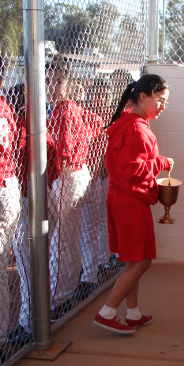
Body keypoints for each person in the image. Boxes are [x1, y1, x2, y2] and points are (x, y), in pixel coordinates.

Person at [93, 74, 173, 335]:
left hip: (124, 198)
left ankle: (133, 313)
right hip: (129, 199)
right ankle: (107, 312)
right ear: (143, 96)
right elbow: (134, 170)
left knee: (134, 259)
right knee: (141, 262)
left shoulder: (129, 122)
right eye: (160, 100)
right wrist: (161, 163)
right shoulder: (137, 127)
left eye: (165, 103)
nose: (162, 106)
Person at [9, 84, 60, 343]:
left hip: (29, 197)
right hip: (45, 192)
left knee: (28, 262)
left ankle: (30, 324)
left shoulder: (22, 126)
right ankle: (41, 314)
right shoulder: (40, 125)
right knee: (42, 257)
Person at [46, 58, 92, 318]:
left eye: (59, 81)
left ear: (70, 83)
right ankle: (69, 290)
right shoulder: (68, 108)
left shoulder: (63, 111)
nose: (52, 87)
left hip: (69, 175)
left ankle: (59, 298)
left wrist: (55, 182)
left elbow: (61, 158)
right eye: (49, 81)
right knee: (69, 238)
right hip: (77, 174)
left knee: (60, 241)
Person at [0, 50, 21, 366]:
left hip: (0, 186)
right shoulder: (3, 103)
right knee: (2, 265)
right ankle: (3, 332)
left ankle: (0, 337)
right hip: (9, 186)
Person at [77, 77, 112, 300]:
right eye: (96, 94)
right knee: (87, 228)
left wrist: (96, 175)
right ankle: (92, 267)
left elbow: (102, 153)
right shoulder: (86, 114)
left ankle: (95, 269)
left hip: (99, 178)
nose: (99, 98)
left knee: (97, 224)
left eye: (104, 95)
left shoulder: (110, 115)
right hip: (84, 178)